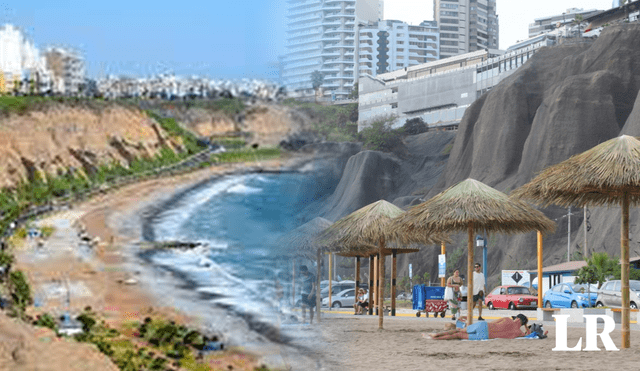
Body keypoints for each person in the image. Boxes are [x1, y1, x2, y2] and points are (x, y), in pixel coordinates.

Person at [423, 314, 531, 340]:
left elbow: (493, 321)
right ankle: (436, 339)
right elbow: (528, 335)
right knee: (458, 335)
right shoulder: (518, 333)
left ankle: (435, 334)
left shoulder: (507, 319)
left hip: (484, 326)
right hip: (485, 335)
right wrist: (526, 327)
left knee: (458, 329)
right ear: (522, 323)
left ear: (517, 318)